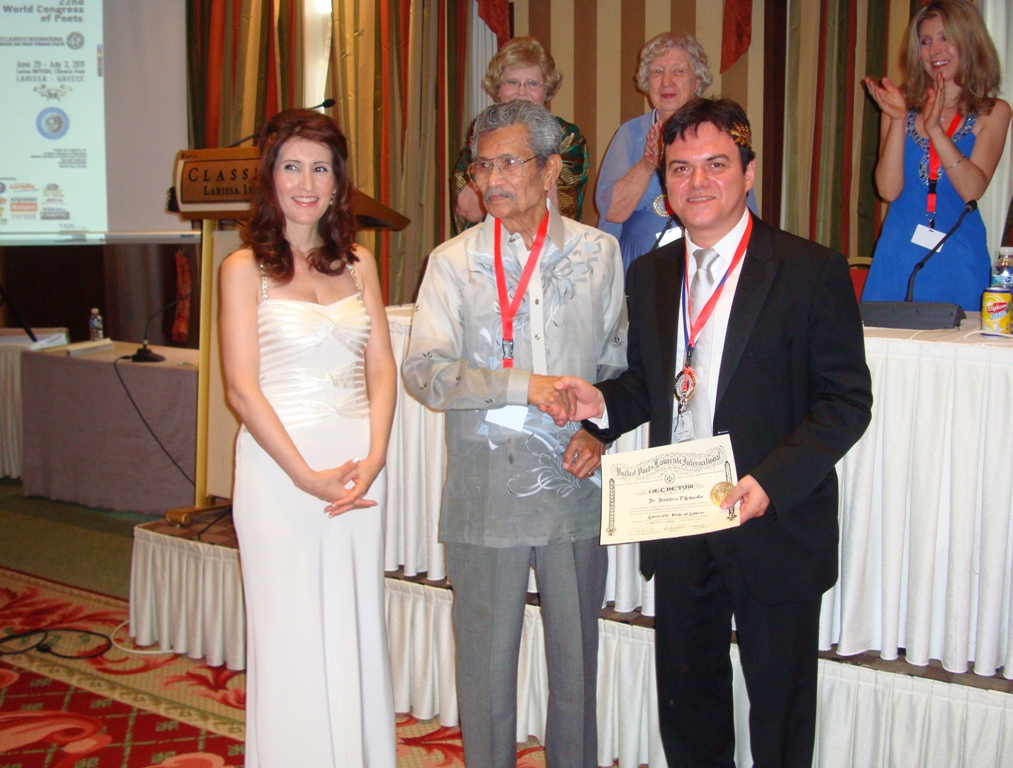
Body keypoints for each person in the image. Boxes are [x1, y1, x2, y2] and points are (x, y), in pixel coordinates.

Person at [547, 99, 873, 767]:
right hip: (679, 515)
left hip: (771, 518)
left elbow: (845, 402)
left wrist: (769, 483)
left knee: (779, 711)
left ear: (748, 173)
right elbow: (650, 384)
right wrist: (599, 406)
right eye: (680, 168)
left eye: (715, 164)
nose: (696, 182)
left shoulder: (809, 270)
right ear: (665, 183)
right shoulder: (651, 272)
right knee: (688, 702)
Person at [403, 99, 626, 768]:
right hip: (486, 491)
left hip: (572, 485)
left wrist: (599, 432)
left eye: (508, 163)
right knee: (485, 673)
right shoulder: (452, 262)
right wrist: (520, 384)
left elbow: (618, 365)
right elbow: (425, 372)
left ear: (551, 169)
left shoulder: (598, 253)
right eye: (481, 166)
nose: (491, 179)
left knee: (575, 671)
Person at [219, 108, 397, 767]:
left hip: (356, 466)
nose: (306, 182)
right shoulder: (242, 268)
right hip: (279, 472)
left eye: (320, 169)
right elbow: (242, 389)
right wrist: (302, 476)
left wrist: (376, 455)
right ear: (270, 177)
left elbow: (382, 367)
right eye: (291, 166)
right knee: (289, 627)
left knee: (354, 617)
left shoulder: (360, 262)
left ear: (338, 182)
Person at [862, 0, 1010, 310]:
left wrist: (936, 130)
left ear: (968, 41)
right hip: (897, 256)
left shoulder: (994, 112)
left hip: (958, 259)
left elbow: (972, 190)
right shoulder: (898, 107)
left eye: (945, 37)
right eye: (926, 41)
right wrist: (898, 119)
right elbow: (888, 190)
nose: (934, 50)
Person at [450, 36, 589, 234]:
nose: (521, 92)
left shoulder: (566, 137)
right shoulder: (483, 135)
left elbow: (558, 210)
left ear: (547, 89)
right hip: (488, 245)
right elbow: (469, 210)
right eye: (512, 82)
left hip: (547, 244)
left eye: (532, 83)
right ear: (498, 88)